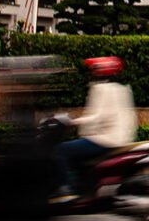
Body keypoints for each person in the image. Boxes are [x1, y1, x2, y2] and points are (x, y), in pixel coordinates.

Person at [54, 56, 137, 202]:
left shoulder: (101, 89)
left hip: (104, 139)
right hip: (121, 138)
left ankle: (66, 190)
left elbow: (97, 116)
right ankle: (85, 190)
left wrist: (72, 122)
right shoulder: (122, 89)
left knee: (62, 150)